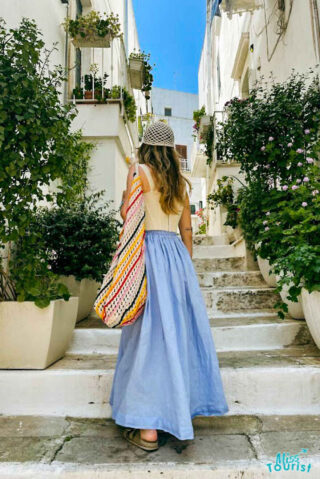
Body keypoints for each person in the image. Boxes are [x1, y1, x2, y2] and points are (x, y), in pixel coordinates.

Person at [109, 122, 229, 451]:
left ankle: (147, 428)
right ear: (172, 150)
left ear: (145, 146)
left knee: (146, 338)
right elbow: (187, 229)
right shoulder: (181, 183)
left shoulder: (138, 172)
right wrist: (184, 266)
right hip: (175, 258)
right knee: (176, 337)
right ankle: (178, 414)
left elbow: (129, 217)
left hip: (146, 256)